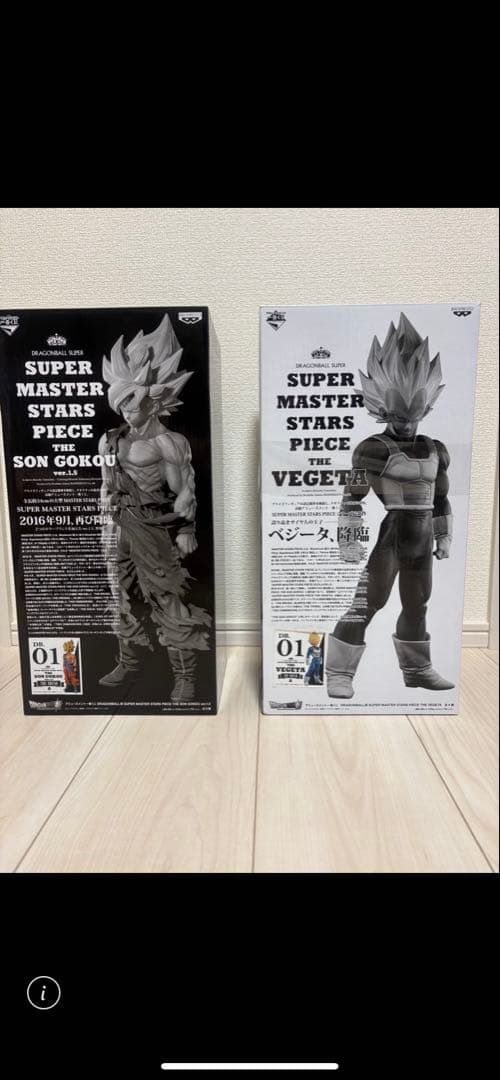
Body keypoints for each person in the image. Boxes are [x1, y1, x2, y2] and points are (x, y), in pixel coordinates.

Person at [326, 313, 454, 699]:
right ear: (383, 410)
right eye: (399, 417)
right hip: (393, 536)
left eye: (413, 416)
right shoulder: (372, 449)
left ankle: (417, 670)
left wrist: (445, 537)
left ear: (425, 409)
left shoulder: (436, 448)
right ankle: (338, 672)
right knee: (368, 603)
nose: (407, 424)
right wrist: (348, 539)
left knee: (417, 605)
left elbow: (441, 497)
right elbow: (352, 497)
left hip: (421, 539)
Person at [98, 314, 210, 702]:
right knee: (120, 593)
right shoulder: (110, 440)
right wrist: (105, 526)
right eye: (122, 402)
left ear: (155, 397)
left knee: (166, 596)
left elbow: (185, 489)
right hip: (118, 525)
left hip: (152, 527)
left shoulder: (169, 443)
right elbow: (105, 484)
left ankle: (185, 675)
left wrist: (187, 528)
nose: (127, 411)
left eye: (134, 401)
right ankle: (131, 662)